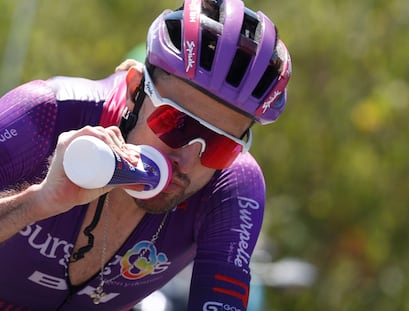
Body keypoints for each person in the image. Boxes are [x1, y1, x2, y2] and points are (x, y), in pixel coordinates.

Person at [0, 0, 291, 310]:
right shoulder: (47, 112)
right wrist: (37, 202)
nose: (186, 162)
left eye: (220, 146)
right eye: (176, 124)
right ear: (135, 88)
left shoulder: (233, 186)